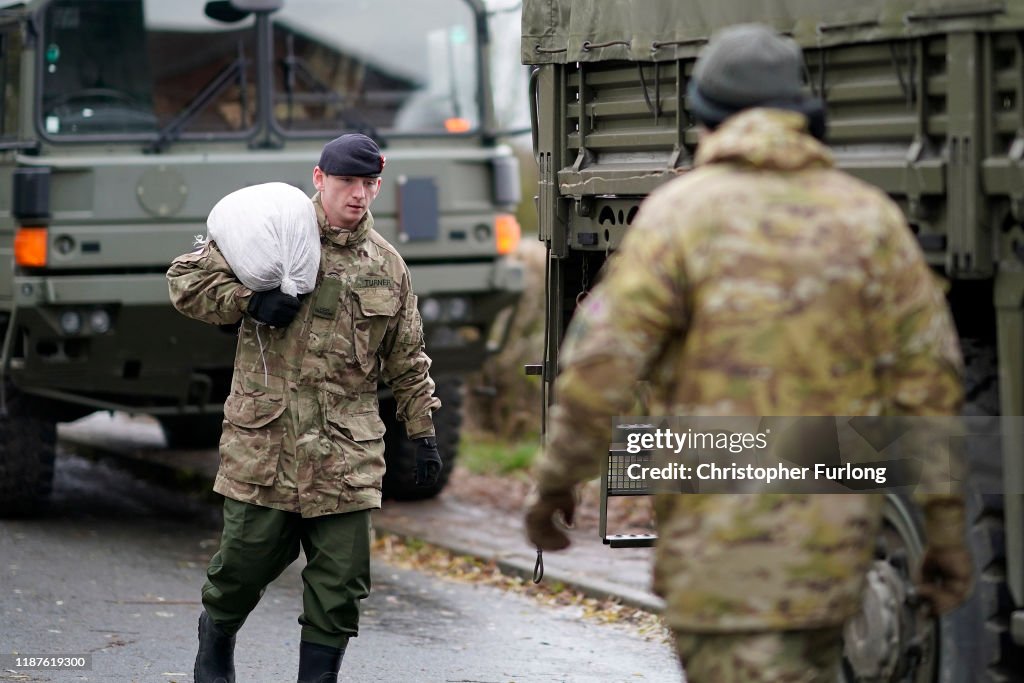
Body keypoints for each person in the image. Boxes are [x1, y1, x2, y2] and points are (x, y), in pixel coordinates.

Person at [524, 24, 973, 682]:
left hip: (715, 558)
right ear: (805, 115)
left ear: (704, 116)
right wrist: (944, 526)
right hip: (831, 558)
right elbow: (931, 383)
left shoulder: (677, 218)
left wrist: (556, 484)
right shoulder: (870, 220)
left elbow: (599, 367)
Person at [167, 133, 442, 683]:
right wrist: (249, 300)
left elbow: (408, 359)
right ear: (319, 180)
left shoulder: (387, 267)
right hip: (266, 445)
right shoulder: (274, 238)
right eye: (347, 182)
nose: (359, 195)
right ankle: (215, 641)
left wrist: (423, 433)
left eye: (369, 184)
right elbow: (185, 282)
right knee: (244, 566)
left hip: (346, 454)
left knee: (341, 583)